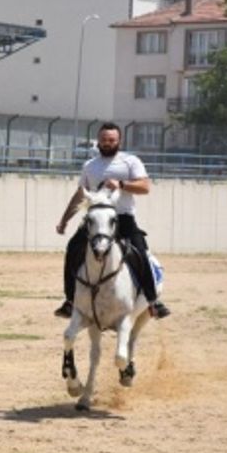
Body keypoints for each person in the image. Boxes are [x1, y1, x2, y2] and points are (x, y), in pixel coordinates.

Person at [54, 122, 170, 319]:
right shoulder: (90, 166)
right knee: (73, 248)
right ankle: (70, 301)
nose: (107, 143)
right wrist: (65, 219)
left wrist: (121, 184)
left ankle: (153, 301)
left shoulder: (130, 161)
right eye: (104, 140)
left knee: (140, 251)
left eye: (111, 140)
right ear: (98, 141)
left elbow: (145, 187)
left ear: (119, 141)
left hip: (123, 219)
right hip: (96, 220)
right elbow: (81, 194)